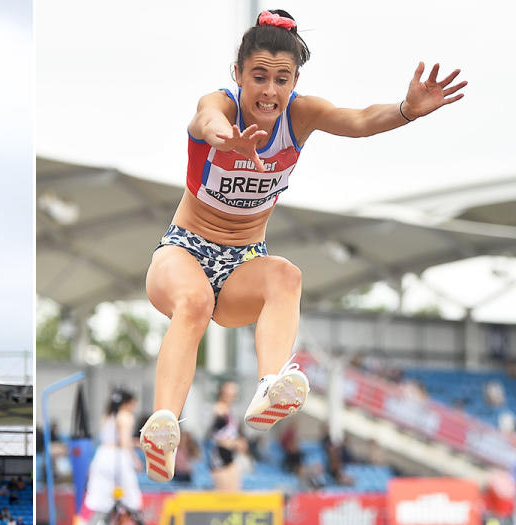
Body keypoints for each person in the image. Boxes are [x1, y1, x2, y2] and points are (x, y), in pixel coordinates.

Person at [139, 8, 464, 481]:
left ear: (294, 81)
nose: (269, 91)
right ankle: (163, 427)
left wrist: (406, 110)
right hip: (184, 251)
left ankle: (271, 384)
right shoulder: (221, 106)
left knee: (287, 273)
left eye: (281, 79)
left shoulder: (301, 115)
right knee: (193, 301)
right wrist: (224, 139)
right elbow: (204, 120)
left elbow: (357, 120)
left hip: (243, 263)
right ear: (238, 74)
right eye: (259, 77)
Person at [79, 389, 142, 525]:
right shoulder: (125, 416)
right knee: (128, 498)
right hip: (116, 458)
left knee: (102, 500)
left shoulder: (107, 416)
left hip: (101, 457)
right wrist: (136, 457)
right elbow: (124, 442)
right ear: (128, 403)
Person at [207, 381, 247, 490]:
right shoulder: (219, 409)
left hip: (230, 454)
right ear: (223, 393)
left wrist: (240, 441)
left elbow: (232, 432)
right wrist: (233, 443)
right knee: (224, 494)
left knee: (235, 492)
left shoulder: (230, 411)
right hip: (219, 454)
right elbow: (214, 435)